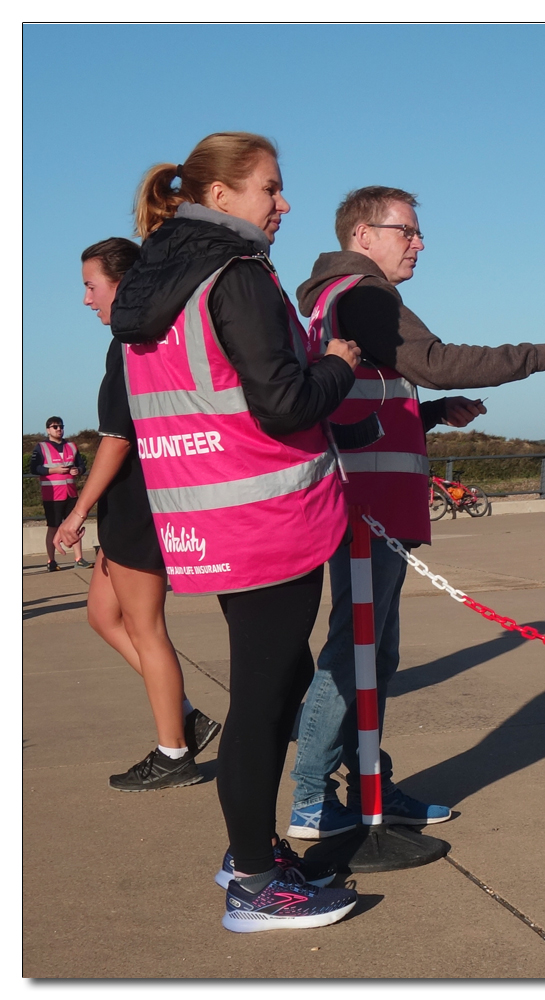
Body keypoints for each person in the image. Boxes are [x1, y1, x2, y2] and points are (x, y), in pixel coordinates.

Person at [286, 185, 545, 840]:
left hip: (369, 502)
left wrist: (429, 414)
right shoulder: (362, 295)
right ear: (363, 235)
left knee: (373, 651)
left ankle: (369, 783)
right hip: (366, 506)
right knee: (355, 652)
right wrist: (540, 357)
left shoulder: (337, 301)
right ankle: (315, 797)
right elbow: (431, 360)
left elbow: (364, 397)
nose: (419, 243)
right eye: (408, 231)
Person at [110, 132, 360, 932]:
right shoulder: (238, 275)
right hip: (269, 516)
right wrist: (341, 363)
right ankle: (253, 877)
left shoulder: (155, 278)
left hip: (205, 518)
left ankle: (251, 846)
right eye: (270, 189)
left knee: (277, 681)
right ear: (221, 198)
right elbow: (283, 401)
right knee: (261, 696)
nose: (283, 204)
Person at [55, 238, 222, 793]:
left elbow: (118, 439)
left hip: (140, 505)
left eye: (90, 285)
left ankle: (174, 752)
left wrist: (75, 512)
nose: (86, 299)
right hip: (126, 507)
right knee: (102, 615)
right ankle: (188, 717)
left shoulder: (132, 343)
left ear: (121, 285)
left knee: (148, 630)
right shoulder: (128, 342)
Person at [30, 417, 89, 570]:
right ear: (48, 429)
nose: (58, 429)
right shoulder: (41, 447)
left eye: (61, 426)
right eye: (55, 427)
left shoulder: (72, 445)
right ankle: (51, 561)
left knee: (74, 527)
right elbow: (34, 468)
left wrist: (78, 471)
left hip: (71, 493)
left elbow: (81, 465)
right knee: (53, 526)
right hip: (52, 495)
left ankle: (79, 558)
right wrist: (53, 470)